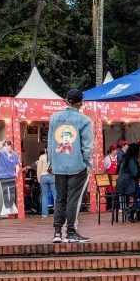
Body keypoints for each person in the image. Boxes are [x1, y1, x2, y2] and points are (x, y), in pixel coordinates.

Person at [48, 89, 93, 243]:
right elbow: (87, 147)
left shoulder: (54, 118)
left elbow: (50, 143)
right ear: (80, 102)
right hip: (77, 165)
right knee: (73, 199)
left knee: (60, 198)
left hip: (58, 165)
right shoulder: (84, 120)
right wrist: (87, 163)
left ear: (67, 100)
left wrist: (51, 162)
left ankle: (57, 232)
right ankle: (71, 232)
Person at [116, 142, 140, 222]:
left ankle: (139, 215)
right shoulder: (131, 160)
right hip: (128, 186)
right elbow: (135, 173)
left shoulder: (126, 159)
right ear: (135, 151)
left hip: (124, 186)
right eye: (139, 150)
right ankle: (131, 210)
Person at [0, 140, 21, 217]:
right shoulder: (1, 153)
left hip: (12, 175)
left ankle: (11, 206)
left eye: (9, 146)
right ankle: (7, 207)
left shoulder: (14, 154)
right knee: (5, 192)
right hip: (2, 176)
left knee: (12, 192)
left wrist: (16, 173)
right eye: (5, 146)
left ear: (11, 146)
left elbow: (17, 165)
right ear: (3, 146)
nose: (7, 148)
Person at [36, 148, 56, 218]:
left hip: (43, 177)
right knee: (55, 195)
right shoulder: (55, 156)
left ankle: (44, 214)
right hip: (53, 176)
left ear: (45, 149)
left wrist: (38, 178)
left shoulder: (42, 157)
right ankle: (57, 213)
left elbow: (39, 168)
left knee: (44, 195)